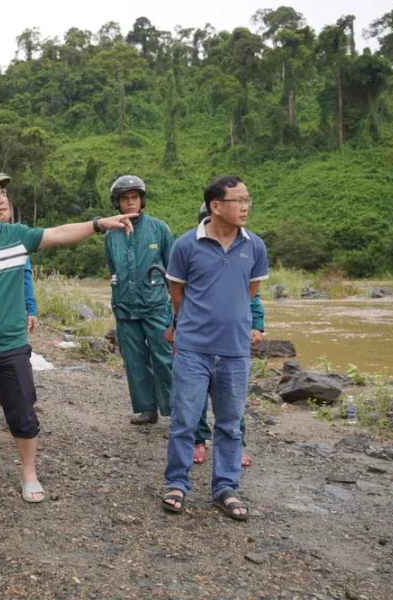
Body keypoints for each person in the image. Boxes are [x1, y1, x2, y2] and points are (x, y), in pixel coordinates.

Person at [0, 165, 134, 510]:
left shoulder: (15, 235)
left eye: (2, 193)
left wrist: (98, 224)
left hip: (11, 347)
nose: (2, 199)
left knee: (22, 413)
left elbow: (58, 234)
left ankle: (29, 474)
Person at [162, 176, 268, 521]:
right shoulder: (185, 245)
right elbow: (177, 293)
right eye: (239, 200)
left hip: (235, 351)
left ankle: (225, 488)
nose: (246, 206)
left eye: (248, 200)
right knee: (184, 420)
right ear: (216, 206)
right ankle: (177, 483)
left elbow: (250, 290)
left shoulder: (255, 246)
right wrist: (192, 324)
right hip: (193, 349)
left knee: (230, 425)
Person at [192, 202, 265, 468]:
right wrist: (173, 326)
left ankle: (236, 446)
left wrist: (257, 325)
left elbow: (252, 297)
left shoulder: (244, 253)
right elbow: (177, 296)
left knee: (233, 401)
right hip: (198, 340)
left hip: (232, 341)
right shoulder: (193, 252)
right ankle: (198, 441)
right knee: (196, 399)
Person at [104, 175, 174, 425]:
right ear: (117, 203)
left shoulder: (159, 228)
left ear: (142, 200)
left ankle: (175, 410)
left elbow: (173, 270)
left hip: (155, 305)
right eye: (125, 199)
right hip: (124, 307)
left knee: (164, 358)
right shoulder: (111, 234)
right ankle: (147, 409)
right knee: (134, 360)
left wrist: (176, 308)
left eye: (135, 197)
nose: (130, 202)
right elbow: (113, 269)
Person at [1, 193, 38, 333]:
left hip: (13, 314)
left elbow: (26, 278)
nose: (1, 214)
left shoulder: (17, 240)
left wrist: (31, 310)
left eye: (5, 209)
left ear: (10, 213)